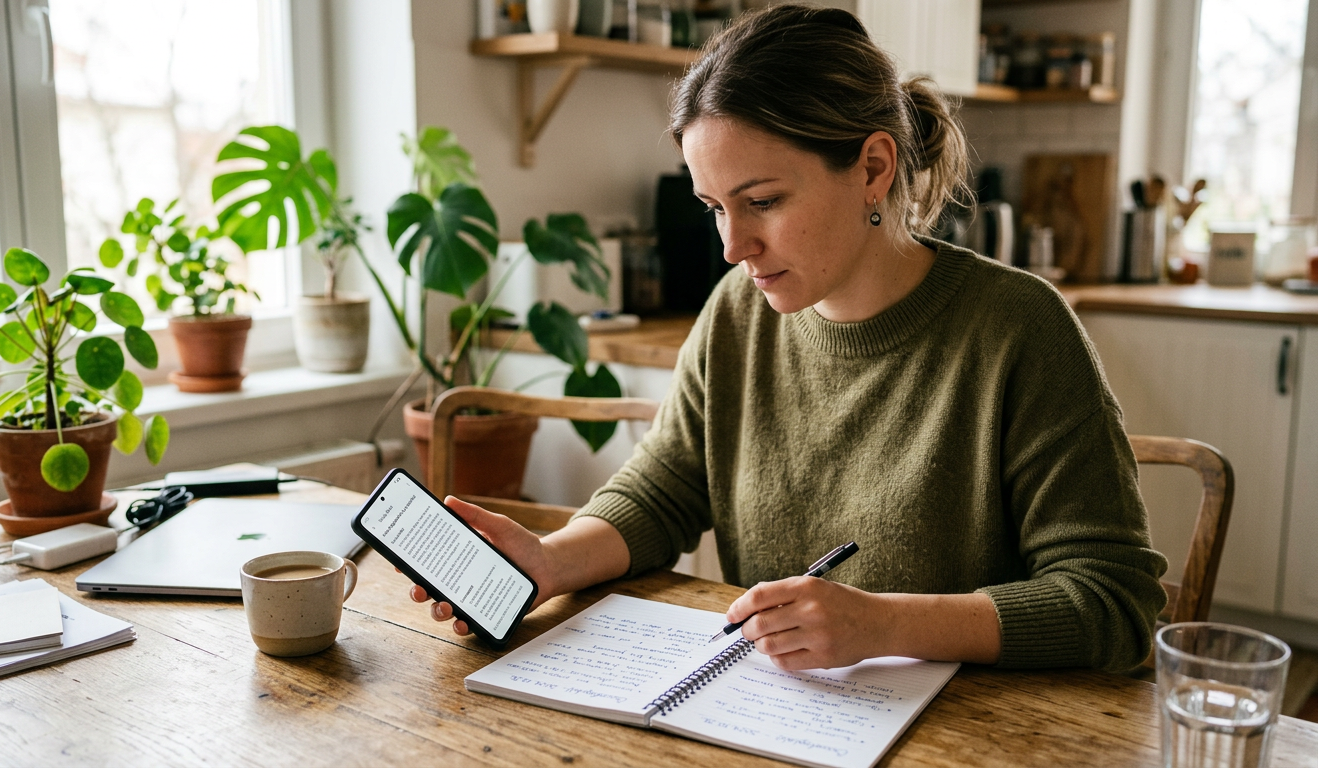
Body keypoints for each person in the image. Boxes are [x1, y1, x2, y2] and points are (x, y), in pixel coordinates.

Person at [411, 5, 1167, 673]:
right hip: (782, 722)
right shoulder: (739, 311)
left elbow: (1112, 600)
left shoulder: (1018, 330)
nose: (734, 246)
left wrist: (884, 624)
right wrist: (549, 561)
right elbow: (666, 488)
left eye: (763, 201)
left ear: (873, 166)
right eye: (714, 207)